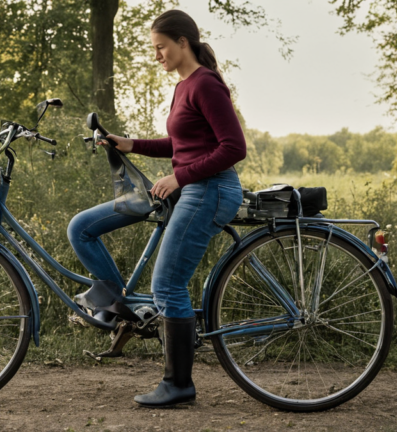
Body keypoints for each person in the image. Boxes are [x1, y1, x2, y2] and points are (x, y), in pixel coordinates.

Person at [66, 9, 247, 408]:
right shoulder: (184, 86)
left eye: (161, 47)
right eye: (154, 49)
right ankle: (120, 308)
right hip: (192, 188)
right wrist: (127, 143)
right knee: (82, 227)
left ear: (183, 42)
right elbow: (180, 145)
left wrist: (180, 178)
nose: (156, 55)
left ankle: (178, 384)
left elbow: (234, 148)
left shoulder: (206, 84)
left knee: (167, 286)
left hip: (210, 190)